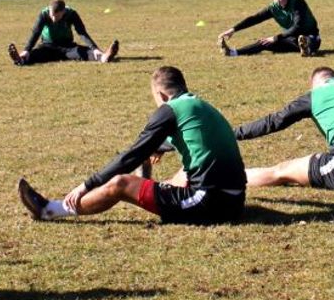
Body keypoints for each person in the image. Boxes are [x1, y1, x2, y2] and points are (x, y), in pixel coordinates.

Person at [16, 67, 247, 225]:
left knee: (121, 183)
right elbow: (196, 141)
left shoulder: (169, 110)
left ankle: (50, 210)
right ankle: (147, 186)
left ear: (161, 95)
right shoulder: (200, 105)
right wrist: (160, 147)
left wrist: (86, 185)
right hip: (234, 200)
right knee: (180, 175)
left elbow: (131, 156)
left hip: (209, 204)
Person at [236, 67, 334, 190]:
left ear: (314, 85)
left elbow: (273, 122)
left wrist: (234, 134)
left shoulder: (316, 95)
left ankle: (230, 178)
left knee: (280, 171)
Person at [218, 0, 322, 57]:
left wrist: (276, 38)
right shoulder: (273, 9)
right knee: (264, 42)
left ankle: (307, 47)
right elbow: (254, 19)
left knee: (307, 39)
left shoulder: (297, 1)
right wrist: (233, 29)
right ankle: (233, 53)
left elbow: (297, 27)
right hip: (291, 40)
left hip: (311, 35)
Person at [8, 0, 119, 66]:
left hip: (68, 47)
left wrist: (94, 48)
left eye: (57, 16)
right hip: (48, 47)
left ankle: (104, 57)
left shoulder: (71, 13)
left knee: (85, 52)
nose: (53, 19)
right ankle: (20, 60)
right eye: (52, 16)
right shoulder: (44, 14)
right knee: (34, 54)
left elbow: (81, 32)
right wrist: (26, 50)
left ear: (63, 11)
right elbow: (36, 32)